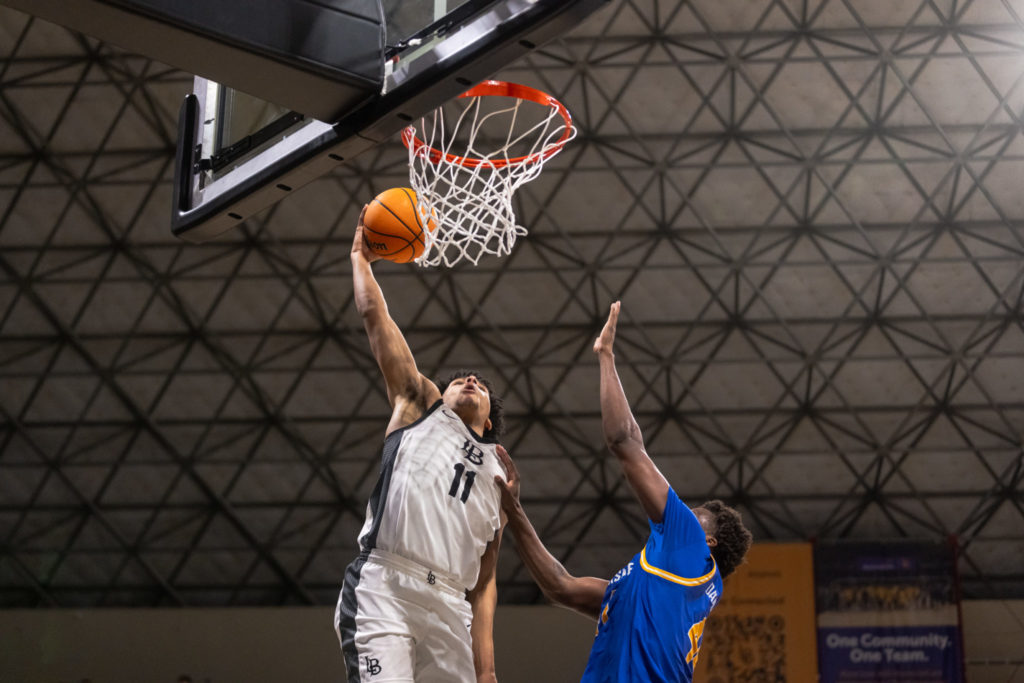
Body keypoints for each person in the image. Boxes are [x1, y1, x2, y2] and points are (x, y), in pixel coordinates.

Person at [494, 301, 753, 682]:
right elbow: (561, 588)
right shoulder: (648, 587)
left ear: (709, 541)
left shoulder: (689, 546)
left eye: (692, 514)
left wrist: (606, 357)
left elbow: (625, 440)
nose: (681, 511)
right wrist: (513, 509)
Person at [335, 205, 508, 683]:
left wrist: (487, 670)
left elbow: (487, 583)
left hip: (452, 604)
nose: (469, 379)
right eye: (458, 381)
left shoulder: (500, 476)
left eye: (479, 384)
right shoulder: (420, 405)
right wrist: (360, 260)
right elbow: (377, 322)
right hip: (386, 585)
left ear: (490, 417)